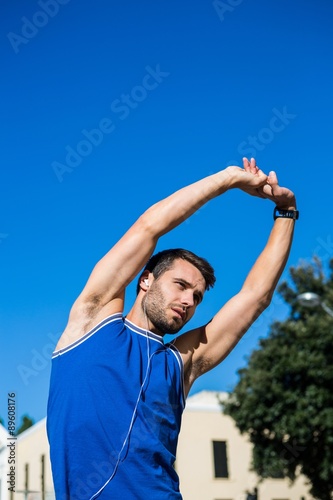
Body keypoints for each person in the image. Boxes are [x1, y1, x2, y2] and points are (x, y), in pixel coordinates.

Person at [47, 158, 298, 499]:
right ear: (146, 279)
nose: (188, 300)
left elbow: (254, 298)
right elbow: (149, 227)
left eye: (196, 296)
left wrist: (286, 212)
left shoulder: (180, 363)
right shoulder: (93, 319)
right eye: (180, 285)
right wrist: (227, 180)